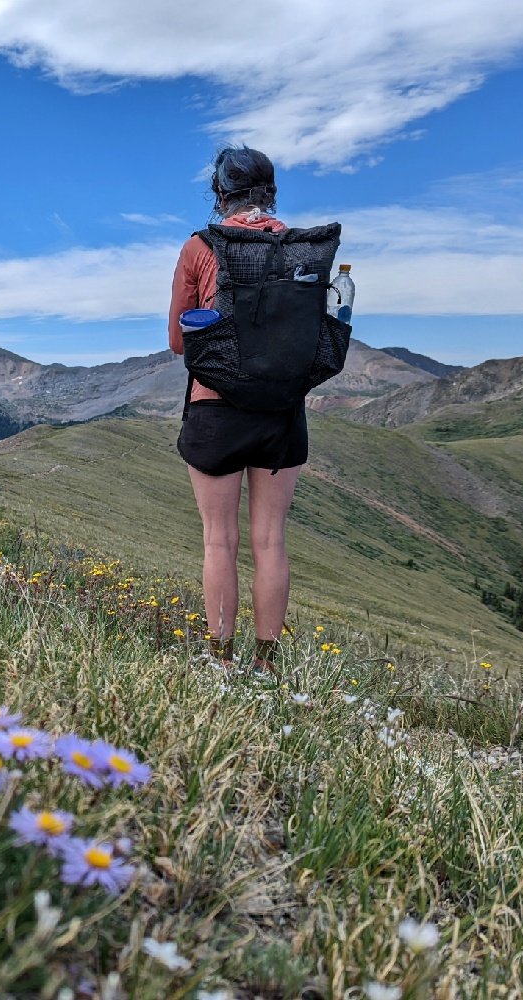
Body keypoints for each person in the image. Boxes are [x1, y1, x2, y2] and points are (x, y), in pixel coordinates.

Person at [168, 146, 306, 672]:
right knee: (270, 539)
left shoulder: (201, 247)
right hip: (281, 412)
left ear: (219, 194)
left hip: (216, 408)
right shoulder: (300, 247)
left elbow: (180, 342)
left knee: (218, 540)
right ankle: (266, 666)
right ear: (270, 193)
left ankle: (221, 662)